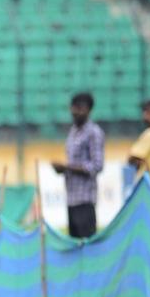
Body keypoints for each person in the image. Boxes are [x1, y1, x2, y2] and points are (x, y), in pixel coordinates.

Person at [52, 93, 104, 238]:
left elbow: (97, 166)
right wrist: (62, 170)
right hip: (71, 197)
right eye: (74, 107)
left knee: (86, 245)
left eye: (80, 108)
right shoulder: (73, 131)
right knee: (75, 245)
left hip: (85, 198)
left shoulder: (94, 132)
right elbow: (74, 163)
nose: (75, 111)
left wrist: (67, 167)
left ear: (89, 110)